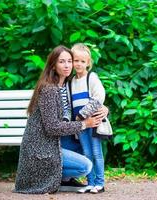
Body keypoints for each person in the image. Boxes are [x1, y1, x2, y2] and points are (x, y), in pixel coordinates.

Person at [14, 45, 107, 194]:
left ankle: (65, 179)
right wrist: (84, 123)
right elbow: (52, 127)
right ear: (53, 65)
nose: (67, 65)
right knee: (86, 166)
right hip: (41, 149)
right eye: (62, 61)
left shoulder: (66, 85)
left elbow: (78, 105)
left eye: (69, 61)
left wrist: (103, 108)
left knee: (86, 147)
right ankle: (57, 179)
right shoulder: (49, 89)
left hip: (54, 141)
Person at [69, 43, 106, 194]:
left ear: (88, 63)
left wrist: (82, 115)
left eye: (82, 61)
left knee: (97, 152)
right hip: (81, 124)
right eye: (76, 60)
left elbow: (98, 98)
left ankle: (100, 183)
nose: (78, 64)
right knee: (86, 152)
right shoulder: (71, 81)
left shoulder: (91, 77)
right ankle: (90, 182)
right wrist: (78, 120)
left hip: (93, 121)